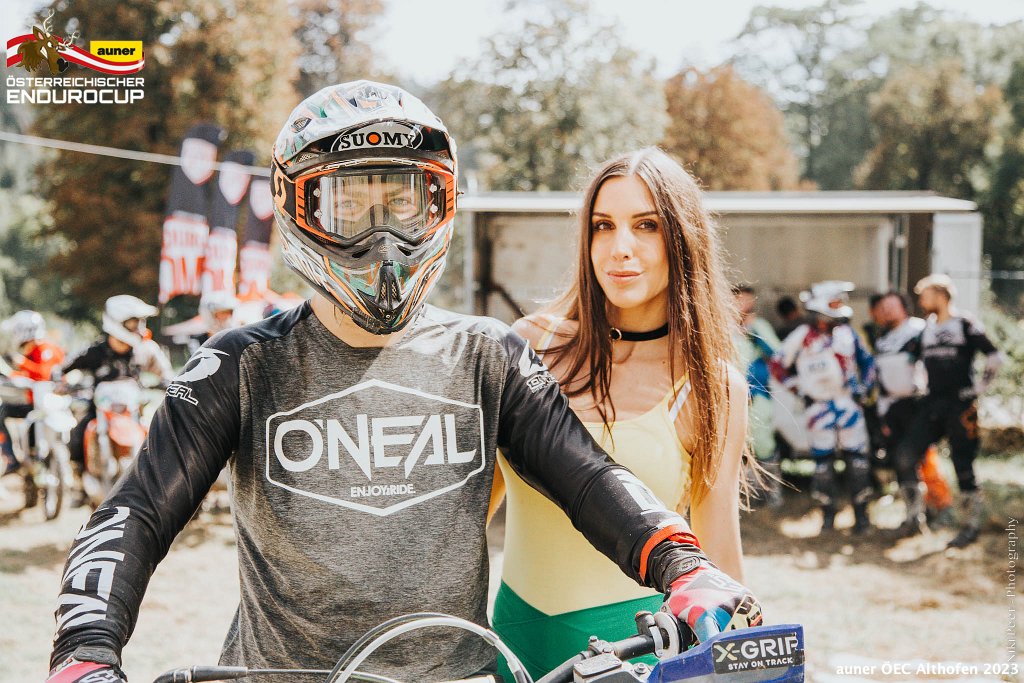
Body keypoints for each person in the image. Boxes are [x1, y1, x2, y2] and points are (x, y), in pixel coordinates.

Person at [46, 82, 762, 683]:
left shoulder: (489, 354)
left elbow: (589, 478)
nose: (382, 237)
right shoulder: (240, 363)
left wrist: (684, 565)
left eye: (404, 203)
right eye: (348, 205)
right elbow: (134, 515)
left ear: (441, 204)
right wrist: (84, 649)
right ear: (297, 207)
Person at [491, 149, 752, 680]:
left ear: (682, 238)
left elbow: (718, 557)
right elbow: (470, 511)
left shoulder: (712, 386)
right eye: (603, 226)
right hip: (511, 643)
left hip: (633, 652)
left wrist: (743, 661)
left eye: (646, 225)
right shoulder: (530, 345)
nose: (620, 248)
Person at [894, 274, 1003, 548]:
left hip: (960, 406)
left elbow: (994, 356)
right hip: (931, 405)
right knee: (905, 455)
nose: (921, 302)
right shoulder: (926, 330)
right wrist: (915, 387)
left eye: (925, 296)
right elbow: (908, 361)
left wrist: (978, 389)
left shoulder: (964, 324)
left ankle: (970, 526)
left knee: (963, 464)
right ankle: (915, 518)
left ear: (941, 296)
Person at [771, 281, 876, 534]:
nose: (839, 307)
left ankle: (861, 517)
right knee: (822, 465)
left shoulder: (848, 333)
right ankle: (828, 517)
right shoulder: (802, 335)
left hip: (848, 403)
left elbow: (868, 362)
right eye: (834, 303)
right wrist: (796, 388)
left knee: (857, 462)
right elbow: (777, 363)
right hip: (818, 408)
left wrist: (866, 387)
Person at [63, 295, 172, 486]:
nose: (138, 328)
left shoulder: (144, 349)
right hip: (100, 409)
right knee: (77, 434)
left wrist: (169, 382)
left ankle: (162, 483)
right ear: (116, 322)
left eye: (140, 322)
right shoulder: (94, 351)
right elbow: (64, 367)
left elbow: (166, 373)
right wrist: (60, 381)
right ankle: (79, 481)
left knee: (161, 433)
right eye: (132, 323)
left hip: (134, 409)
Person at [871, 291, 952, 535]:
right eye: (883, 307)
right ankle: (913, 517)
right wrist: (882, 413)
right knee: (901, 461)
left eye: (891, 305)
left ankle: (943, 508)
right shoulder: (883, 341)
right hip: (892, 408)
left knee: (923, 458)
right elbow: (881, 379)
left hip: (918, 404)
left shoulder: (920, 330)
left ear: (903, 306)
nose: (887, 310)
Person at [733, 284, 782, 507]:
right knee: (734, 445)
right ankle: (744, 497)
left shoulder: (759, 326)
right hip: (728, 396)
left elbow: (777, 353)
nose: (743, 305)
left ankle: (771, 493)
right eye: (739, 300)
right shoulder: (721, 326)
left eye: (747, 300)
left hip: (758, 393)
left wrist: (754, 332)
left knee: (763, 443)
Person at [0, 310, 65, 475]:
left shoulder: (47, 349)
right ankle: (11, 457)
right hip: (34, 405)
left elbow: (43, 374)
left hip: (52, 406)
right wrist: (13, 375)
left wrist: (21, 363)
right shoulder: (32, 352)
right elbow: (29, 377)